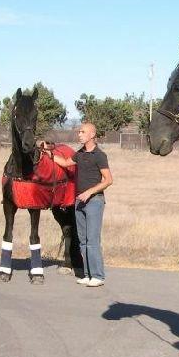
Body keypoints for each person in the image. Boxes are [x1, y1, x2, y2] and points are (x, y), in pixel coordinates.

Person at [51, 122, 113, 287]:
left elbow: (108, 180)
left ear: (92, 135)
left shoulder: (100, 155)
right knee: (83, 241)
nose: (79, 134)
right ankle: (87, 274)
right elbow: (64, 163)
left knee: (92, 240)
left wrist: (90, 192)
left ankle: (98, 276)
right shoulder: (79, 154)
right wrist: (48, 154)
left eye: (83, 132)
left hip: (94, 202)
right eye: (79, 132)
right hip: (79, 202)